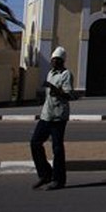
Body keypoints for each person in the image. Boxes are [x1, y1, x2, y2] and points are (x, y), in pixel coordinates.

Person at [30, 46, 73, 190]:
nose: (54, 62)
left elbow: (68, 95)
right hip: (46, 115)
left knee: (57, 148)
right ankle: (45, 174)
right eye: (53, 60)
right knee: (35, 142)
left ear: (62, 61)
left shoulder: (66, 74)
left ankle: (59, 180)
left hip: (59, 116)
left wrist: (53, 88)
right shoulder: (50, 73)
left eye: (57, 60)